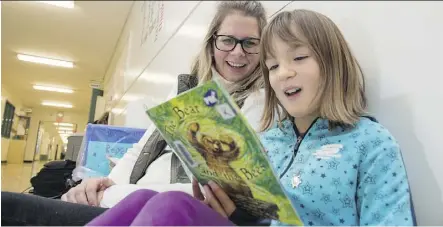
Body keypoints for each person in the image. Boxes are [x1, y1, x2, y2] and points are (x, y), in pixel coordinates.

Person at [87, 8, 417, 226]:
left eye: (299, 58)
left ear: (333, 63)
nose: (282, 73)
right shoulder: (269, 140)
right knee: (145, 198)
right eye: (272, 66)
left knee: (171, 204)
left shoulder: (368, 143)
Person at [1, 1, 267, 226]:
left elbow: (234, 192)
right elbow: (142, 148)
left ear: (262, 48)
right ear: (212, 42)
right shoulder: (184, 89)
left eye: (249, 43)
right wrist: (104, 183)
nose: (238, 52)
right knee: (10, 206)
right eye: (228, 40)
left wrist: (122, 194)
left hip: (159, 208)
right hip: (122, 201)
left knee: (15, 210)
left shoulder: (263, 101)